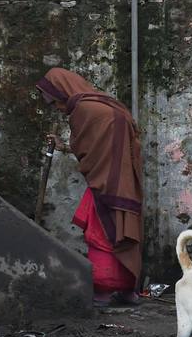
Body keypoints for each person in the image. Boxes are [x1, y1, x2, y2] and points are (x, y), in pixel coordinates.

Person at [36, 67, 144, 308]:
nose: (58, 108)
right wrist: (65, 146)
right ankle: (128, 290)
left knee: (100, 232)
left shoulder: (84, 110)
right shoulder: (107, 104)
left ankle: (103, 291)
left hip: (104, 183)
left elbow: (88, 151)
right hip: (126, 180)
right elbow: (95, 146)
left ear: (62, 91)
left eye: (55, 102)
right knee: (124, 228)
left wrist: (68, 146)